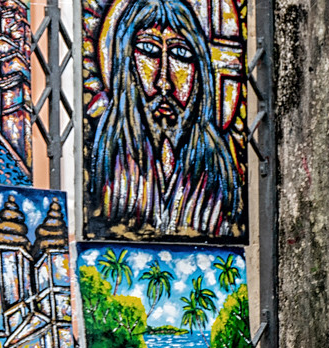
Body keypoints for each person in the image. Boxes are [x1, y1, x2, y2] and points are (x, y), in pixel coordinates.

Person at [86, 0, 243, 239]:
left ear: (200, 70)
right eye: (149, 51)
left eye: (181, 54)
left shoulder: (218, 168)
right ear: (124, 62)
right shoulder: (103, 158)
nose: (164, 83)